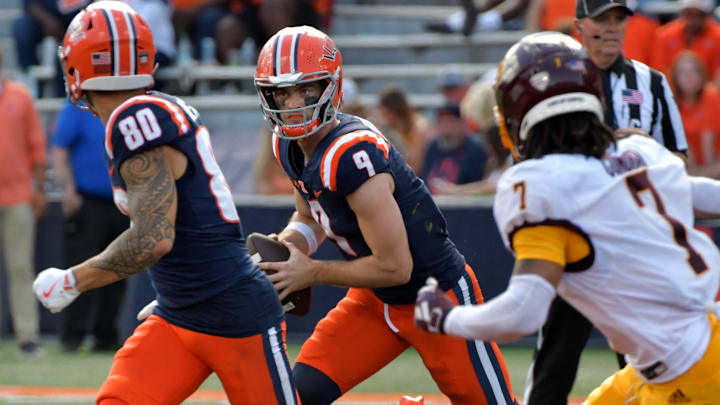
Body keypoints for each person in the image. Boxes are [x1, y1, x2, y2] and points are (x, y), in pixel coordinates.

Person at [415, 31, 720, 404]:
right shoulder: (637, 150)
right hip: (687, 347)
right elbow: (699, 194)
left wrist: (447, 318)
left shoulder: (540, 186)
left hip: (690, 372)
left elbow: (523, 313)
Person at [32, 2, 296, 404]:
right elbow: (195, 216)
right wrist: (179, 287)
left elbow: (153, 238)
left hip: (233, 314)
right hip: (179, 311)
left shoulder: (134, 119)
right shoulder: (155, 109)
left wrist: (72, 282)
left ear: (77, 67)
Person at [254, 25, 517, 405]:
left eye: (305, 88)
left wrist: (310, 271)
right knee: (293, 397)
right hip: (372, 301)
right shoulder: (288, 145)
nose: (293, 103)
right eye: (282, 92)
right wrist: (290, 246)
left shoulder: (352, 156)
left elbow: (397, 267)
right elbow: (310, 217)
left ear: (331, 86)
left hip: (435, 298)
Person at [518, 1, 689, 403]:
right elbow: (532, 155)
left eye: (618, 20)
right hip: (573, 236)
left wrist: (645, 149)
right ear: (580, 26)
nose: (611, 29)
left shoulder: (653, 83)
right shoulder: (555, 79)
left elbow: (679, 160)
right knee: (555, 355)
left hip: (634, 238)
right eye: (602, 20)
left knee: (644, 357)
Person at [50, 100, 130, 353]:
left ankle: (105, 334)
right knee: (81, 265)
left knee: (118, 270)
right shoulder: (78, 107)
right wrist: (68, 189)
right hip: (88, 200)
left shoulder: (129, 106)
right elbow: (60, 149)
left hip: (122, 201)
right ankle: (73, 333)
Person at [0, 48, 47, 358]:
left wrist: (39, 189)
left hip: (16, 195)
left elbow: (37, 146)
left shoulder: (20, 96)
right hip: (15, 194)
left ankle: (27, 337)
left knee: (20, 267)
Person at [670, 51, 720, 178]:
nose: (689, 77)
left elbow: (709, 140)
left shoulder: (712, 96)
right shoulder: (672, 103)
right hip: (688, 169)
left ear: (702, 74)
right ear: (675, 77)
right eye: (683, 73)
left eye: (693, 72)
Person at [419, 104, 488, 195]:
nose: (446, 128)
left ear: (462, 123)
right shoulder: (433, 147)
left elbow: (479, 186)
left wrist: (455, 191)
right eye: (441, 122)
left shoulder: (475, 150)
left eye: (451, 122)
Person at [650, 0, 720, 83]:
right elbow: (658, 70)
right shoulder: (664, 35)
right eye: (689, 14)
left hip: (707, 91)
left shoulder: (717, 36)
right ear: (682, 13)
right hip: (671, 89)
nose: (693, 20)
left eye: (699, 15)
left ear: (707, 15)